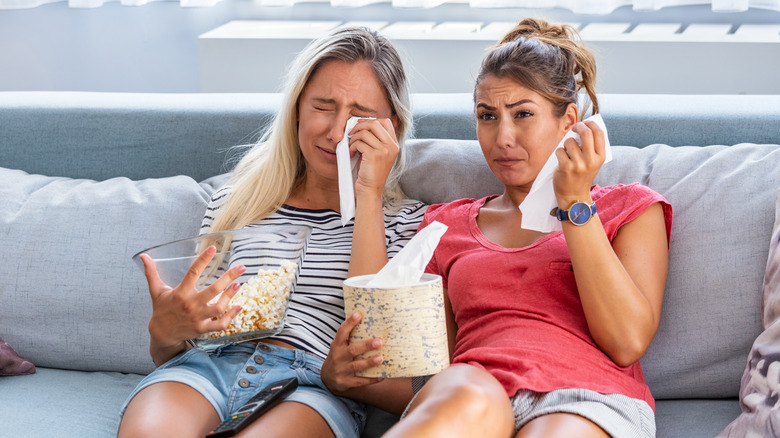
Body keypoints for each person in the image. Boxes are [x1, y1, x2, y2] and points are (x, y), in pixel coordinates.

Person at [117, 26, 426, 438]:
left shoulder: (409, 223)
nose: (336, 132)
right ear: (298, 107)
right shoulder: (238, 200)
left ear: (392, 126)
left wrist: (367, 193)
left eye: (358, 116)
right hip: (206, 368)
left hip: (311, 387)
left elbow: (382, 354)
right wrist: (166, 332)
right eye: (323, 105)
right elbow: (180, 345)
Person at [379, 17, 673, 438]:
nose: (503, 137)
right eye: (488, 116)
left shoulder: (628, 209)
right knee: (465, 392)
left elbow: (626, 342)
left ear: (568, 120)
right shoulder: (444, 225)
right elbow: (427, 366)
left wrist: (574, 204)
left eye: (523, 114)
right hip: (473, 387)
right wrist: (344, 380)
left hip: (586, 396)